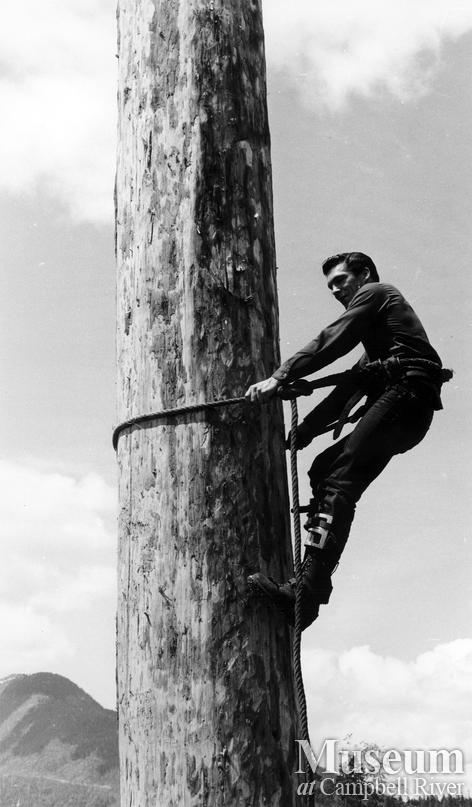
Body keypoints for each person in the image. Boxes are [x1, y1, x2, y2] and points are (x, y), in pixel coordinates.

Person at [246, 252, 446, 630]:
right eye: (331, 286)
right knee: (325, 470)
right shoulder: (377, 339)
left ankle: (306, 592)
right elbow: (349, 389)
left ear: (364, 274)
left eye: (340, 280)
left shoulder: (375, 292)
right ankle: (310, 585)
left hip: (408, 396)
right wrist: (303, 433)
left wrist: (280, 375)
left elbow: (333, 339)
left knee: (339, 479)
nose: (336, 290)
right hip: (407, 407)